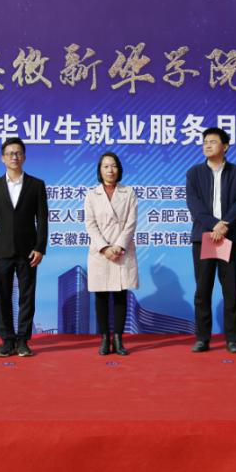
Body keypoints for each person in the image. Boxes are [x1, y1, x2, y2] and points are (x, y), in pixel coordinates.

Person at [0, 137, 48, 357]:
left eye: (18, 153)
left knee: (27, 297)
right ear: (3, 158)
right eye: (10, 153)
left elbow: (43, 220)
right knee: (3, 296)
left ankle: (23, 340)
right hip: (1, 251)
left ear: (24, 157)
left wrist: (40, 248)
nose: (14, 157)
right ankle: (7, 341)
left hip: (29, 251)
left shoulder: (36, 185)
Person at [185, 127, 236, 353]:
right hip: (204, 237)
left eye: (212, 142)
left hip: (229, 237)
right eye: (205, 142)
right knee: (203, 291)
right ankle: (202, 338)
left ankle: (232, 339)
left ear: (225, 146)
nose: (207, 145)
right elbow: (194, 204)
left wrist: (224, 226)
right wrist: (214, 225)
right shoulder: (194, 173)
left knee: (231, 290)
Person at [83, 152, 138, 356]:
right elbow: (90, 224)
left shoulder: (129, 192)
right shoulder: (92, 195)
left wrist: (119, 246)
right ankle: (105, 338)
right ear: (100, 170)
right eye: (105, 166)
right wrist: (105, 248)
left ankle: (119, 339)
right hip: (100, 252)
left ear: (119, 169)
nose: (110, 170)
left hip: (122, 250)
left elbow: (131, 222)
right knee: (101, 296)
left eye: (113, 166)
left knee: (121, 295)